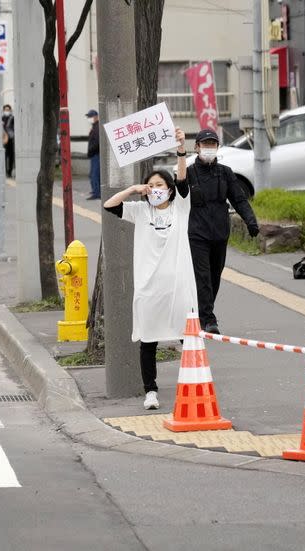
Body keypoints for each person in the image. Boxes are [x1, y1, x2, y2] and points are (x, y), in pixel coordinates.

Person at [103, 128, 196, 410]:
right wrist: (133, 189)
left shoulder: (181, 207)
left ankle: (193, 383)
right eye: (151, 185)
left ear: (169, 189)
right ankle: (151, 391)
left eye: (160, 185)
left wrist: (181, 149)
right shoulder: (140, 211)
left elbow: (182, 179)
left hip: (177, 285)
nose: (155, 189)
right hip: (149, 287)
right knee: (148, 340)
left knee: (187, 337)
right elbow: (109, 205)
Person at [185, 128, 259, 334]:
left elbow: (239, 199)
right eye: (205, 144)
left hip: (219, 233)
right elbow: (179, 194)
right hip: (197, 234)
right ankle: (209, 319)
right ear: (197, 147)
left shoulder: (225, 173)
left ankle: (203, 312)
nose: (209, 148)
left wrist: (251, 221)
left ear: (217, 147)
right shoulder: (189, 173)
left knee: (215, 275)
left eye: (212, 145)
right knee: (203, 277)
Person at [85, 109, 101, 200]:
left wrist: (90, 151)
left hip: (96, 154)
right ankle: (96, 190)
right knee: (94, 174)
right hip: (95, 154)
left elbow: (97, 142)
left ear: (95, 117)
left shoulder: (97, 127)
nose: (89, 118)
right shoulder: (95, 127)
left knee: (94, 174)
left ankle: (96, 192)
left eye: (90, 116)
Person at [2, 105, 15, 178]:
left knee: (10, 156)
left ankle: (9, 171)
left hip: (10, 139)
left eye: (8, 110)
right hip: (2, 139)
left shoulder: (12, 118)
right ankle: (4, 171)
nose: (7, 111)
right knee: (3, 156)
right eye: (5, 110)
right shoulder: (1, 118)